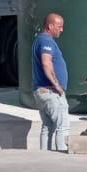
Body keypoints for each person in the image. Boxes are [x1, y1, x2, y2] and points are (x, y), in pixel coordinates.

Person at [31, 12, 70, 152]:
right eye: (59, 26)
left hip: (41, 91)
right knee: (62, 125)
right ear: (50, 26)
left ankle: (44, 156)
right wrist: (57, 85)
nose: (62, 29)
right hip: (50, 92)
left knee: (47, 126)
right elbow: (46, 64)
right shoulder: (46, 41)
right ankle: (61, 155)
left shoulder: (39, 39)